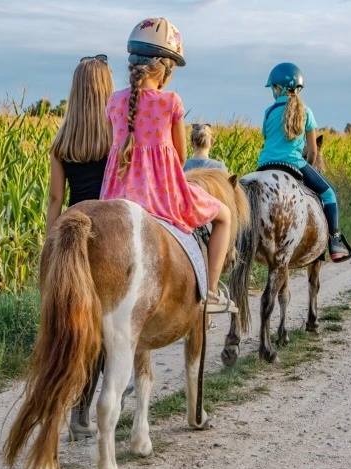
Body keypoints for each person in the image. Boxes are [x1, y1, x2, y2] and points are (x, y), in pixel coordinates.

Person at [100, 17, 236, 314]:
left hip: (115, 196)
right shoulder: (171, 102)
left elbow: (116, 147)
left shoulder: (114, 101)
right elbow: (182, 157)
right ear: (165, 68)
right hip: (160, 196)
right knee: (224, 216)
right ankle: (210, 293)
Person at [256, 62, 350, 262]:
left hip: (264, 164)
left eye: (273, 88)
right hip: (294, 163)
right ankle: (334, 241)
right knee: (329, 193)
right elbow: (313, 150)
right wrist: (308, 163)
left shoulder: (268, 111)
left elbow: (268, 139)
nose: (273, 91)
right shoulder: (306, 112)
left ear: (278, 88)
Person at [46, 55, 114, 230]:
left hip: (74, 220)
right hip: (110, 220)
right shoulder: (117, 136)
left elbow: (55, 198)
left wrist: (48, 246)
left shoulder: (62, 142)